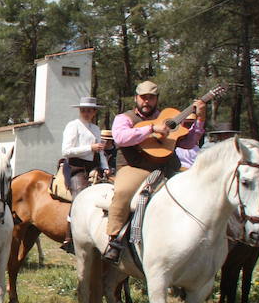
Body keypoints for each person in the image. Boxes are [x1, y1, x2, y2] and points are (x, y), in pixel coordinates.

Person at [102, 81, 205, 264]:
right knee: (123, 192)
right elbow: (120, 137)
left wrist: (200, 120)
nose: (146, 102)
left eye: (151, 98)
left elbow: (188, 142)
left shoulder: (169, 117)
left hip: (168, 167)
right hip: (134, 167)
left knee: (197, 190)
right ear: (136, 98)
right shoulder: (124, 118)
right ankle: (114, 239)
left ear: (157, 99)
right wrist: (150, 129)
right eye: (143, 98)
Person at [58, 97, 109, 252]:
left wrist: (105, 167)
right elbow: (66, 151)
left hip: (93, 167)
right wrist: (90, 147)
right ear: (80, 111)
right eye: (84, 110)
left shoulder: (95, 128)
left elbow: (100, 153)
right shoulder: (73, 126)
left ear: (94, 112)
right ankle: (69, 238)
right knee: (80, 197)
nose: (86, 113)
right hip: (75, 167)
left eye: (90, 110)